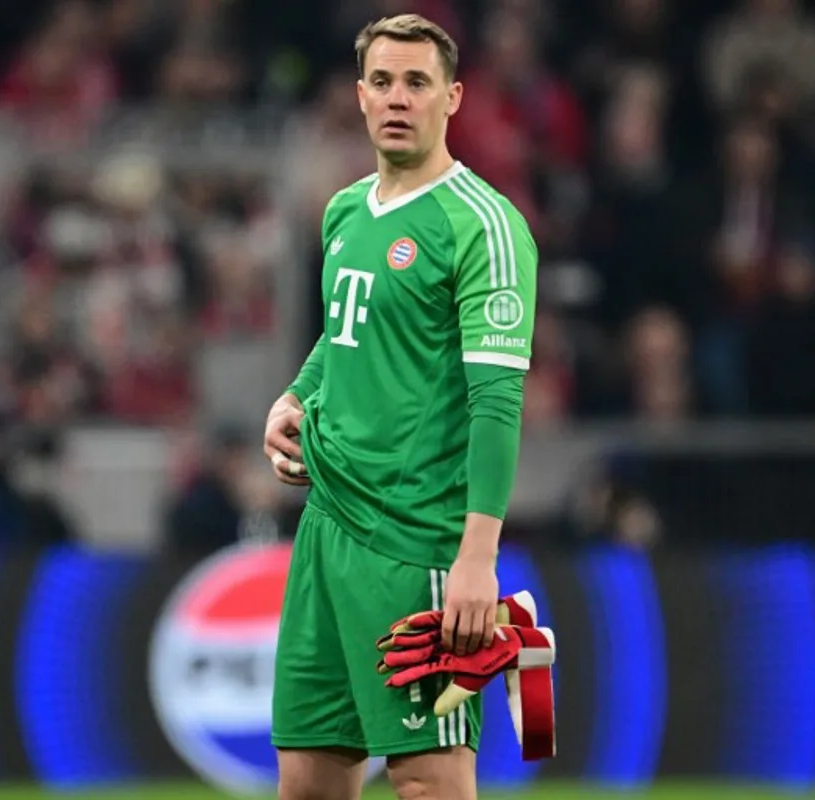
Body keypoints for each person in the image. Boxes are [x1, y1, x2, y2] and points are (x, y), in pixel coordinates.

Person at [264, 14, 538, 800]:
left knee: (427, 784)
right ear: (359, 96)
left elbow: (497, 402)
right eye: (382, 81)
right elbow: (343, 332)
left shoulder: (483, 225)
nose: (397, 98)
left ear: (452, 98)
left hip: (414, 542)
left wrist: (477, 558)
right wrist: (297, 394)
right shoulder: (345, 211)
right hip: (326, 529)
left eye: (417, 82)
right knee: (307, 783)